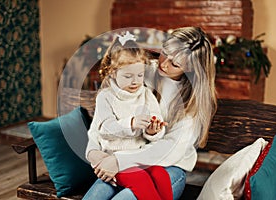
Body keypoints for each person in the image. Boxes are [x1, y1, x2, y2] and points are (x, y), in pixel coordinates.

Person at [84, 27, 217, 200]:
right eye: (164, 53)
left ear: (191, 69)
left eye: (175, 64)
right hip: (123, 158)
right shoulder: (138, 71)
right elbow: (103, 119)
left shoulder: (192, 102)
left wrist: (119, 160)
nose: (163, 63)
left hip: (167, 166)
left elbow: (169, 150)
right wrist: (93, 151)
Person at [84, 31, 173, 200]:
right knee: (141, 180)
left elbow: (156, 125)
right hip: (114, 159)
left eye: (140, 75)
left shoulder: (146, 95)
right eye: (128, 76)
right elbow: (104, 129)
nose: (135, 81)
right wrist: (131, 123)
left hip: (138, 157)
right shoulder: (106, 96)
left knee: (161, 175)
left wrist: (154, 131)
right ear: (112, 73)